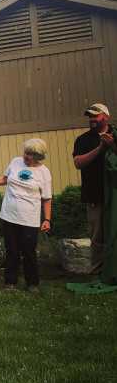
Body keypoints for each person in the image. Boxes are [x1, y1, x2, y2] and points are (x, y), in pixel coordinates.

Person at [0, 138, 52, 292]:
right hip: (9, 215)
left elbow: (47, 198)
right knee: (12, 250)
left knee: (28, 251)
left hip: (29, 219)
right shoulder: (15, 162)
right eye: (25, 152)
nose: (25, 156)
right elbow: (5, 180)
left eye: (30, 154)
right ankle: (10, 282)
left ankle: (32, 283)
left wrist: (47, 219)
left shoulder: (44, 172)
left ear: (38, 156)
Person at [73, 103, 117, 274]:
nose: (91, 119)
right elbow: (78, 163)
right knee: (97, 236)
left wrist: (112, 145)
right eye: (89, 116)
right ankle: (98, 272)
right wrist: (100, 148)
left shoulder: (115, 135)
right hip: (94, 195)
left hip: (114, 194)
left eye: (95, 116)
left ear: (105, 116)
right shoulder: (83, 140)